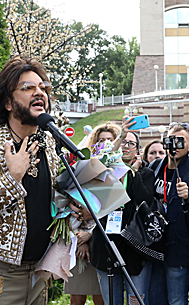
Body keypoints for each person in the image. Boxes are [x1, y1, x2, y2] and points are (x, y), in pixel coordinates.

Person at [0, 55, 80, 304]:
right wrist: (12, 178)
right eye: (28, 88)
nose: (39, 92)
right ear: (9, 103)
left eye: (43, 88)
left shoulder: (50, 146)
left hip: (39, 273)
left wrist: (76, 208)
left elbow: (52, 205)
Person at [91, 121, 155, 305]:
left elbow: (145, 201)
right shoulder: (104, 171)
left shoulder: (145, 173)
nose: (126, 146)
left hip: (135, 248)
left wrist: (132, 173)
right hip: (106, 245)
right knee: (111, 300)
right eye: (123, 142)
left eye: (131, 143)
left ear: (138, 150)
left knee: (136, 299)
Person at [149, 122, 189, 305]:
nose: (176, 145)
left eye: (181, 141)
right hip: (154, 246)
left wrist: (188, 198)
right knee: (155, 299)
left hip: (179, 248)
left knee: (176, 301)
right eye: (172, 140)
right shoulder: (156, 166)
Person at [64, 123, 121, 304]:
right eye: (101, 140)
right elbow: (72, 206)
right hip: (78, 242)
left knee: (101, 298)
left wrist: (91, 235)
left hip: (102, 244)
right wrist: (81, 237)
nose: (105, 144)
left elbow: (113, 210)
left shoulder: (120, 173)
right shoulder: (82, 170)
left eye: (110, 141)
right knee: (77, 298)